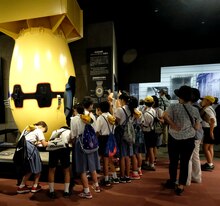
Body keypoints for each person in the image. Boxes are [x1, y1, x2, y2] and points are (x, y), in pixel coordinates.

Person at [162, 85, 201, 195]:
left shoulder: (173, 106)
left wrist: (173, 125)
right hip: (189, 140)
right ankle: (181, 186)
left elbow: (164, 115)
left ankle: (172, 181)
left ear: (180, 96)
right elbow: (197, 127)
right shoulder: (194, 109)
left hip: (174, 138)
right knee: (184, 163)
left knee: (173, 162)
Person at [70, 103, 101, 199]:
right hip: (91, 143)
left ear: (75, 110)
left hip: (81, 144)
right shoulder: (90, 116)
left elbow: (73, 134)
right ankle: (96, 185)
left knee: (82, 168)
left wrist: (72, 142)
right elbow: (95, 129)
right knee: (92, 166)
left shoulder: (74, 119)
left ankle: (87, 191)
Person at [17, 121, 48, 194]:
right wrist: (53, 142)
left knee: (29, 168)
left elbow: (26, 140)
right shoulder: (38, 130)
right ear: (42, 127)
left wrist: (36, 143)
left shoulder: (27, 128)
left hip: (23, 149)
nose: (43, 132)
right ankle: (35, 186)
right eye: (44, 130)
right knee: (38, 166)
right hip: (30, 148)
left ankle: (21, 186)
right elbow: (44, 144)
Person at [96, 100, 119, 186]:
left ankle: (106, 179)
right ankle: (115, 177)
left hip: (103, 140)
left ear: (100, 109)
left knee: (105, 160)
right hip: (111, 138)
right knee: (110, 159)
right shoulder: (111, 117)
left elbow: (97, 131)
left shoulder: (100, 118)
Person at [47, 126, 72, 198]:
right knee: (66, 170)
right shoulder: (69, 131)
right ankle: (66, 191)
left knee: (51, 170)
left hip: (53, 149)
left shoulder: (55, 131)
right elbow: (71, 141)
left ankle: (51, 191)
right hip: (64, 149)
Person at [115, 92, 134, 183]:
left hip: (122, 133)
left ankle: (122, 176)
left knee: (122, 156)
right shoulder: (131, 109)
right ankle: (127, 175)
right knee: (127, 156)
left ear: (122, 100)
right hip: (129, 133)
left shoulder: (120, 110)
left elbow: (116, 122)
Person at [186, 88, 203, 185]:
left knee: (188, 158)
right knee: (195, 157)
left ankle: (186, 180)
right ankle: (196, 177)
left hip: (192, 135)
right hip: (198, 135)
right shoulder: (197, 107)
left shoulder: (193, 108)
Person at [200, 95, 217, 171]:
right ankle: (210, 163)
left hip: (209, 129)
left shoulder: (207, 109)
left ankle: (210, 164)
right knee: (210, 147)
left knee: (205, 148)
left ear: (208, 101)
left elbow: (212, 120)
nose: (202, 101)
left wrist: (211, 132)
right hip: (212, 129)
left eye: (204, 100)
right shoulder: (210, 108)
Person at [141, 96, 157, 171]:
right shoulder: (153, 110)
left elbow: (144, 124)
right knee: (150, 148)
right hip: (152, 131)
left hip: (148, 132)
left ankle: (151, 164)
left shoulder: (146, 113)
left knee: (150, 149)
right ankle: (147, 162)